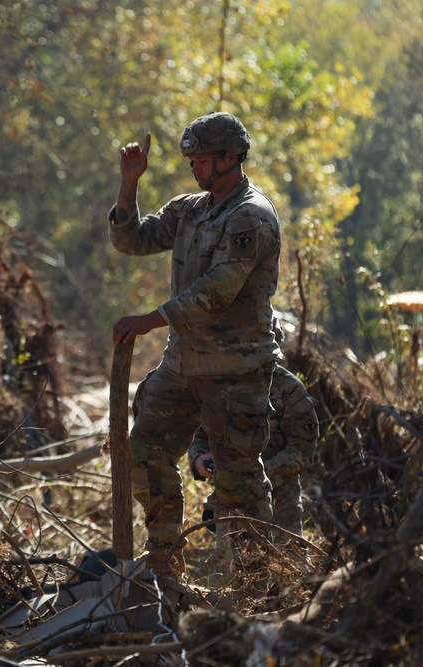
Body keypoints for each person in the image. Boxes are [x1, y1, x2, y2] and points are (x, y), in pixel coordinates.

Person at [108, 111, 283, 577]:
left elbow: (217, 290)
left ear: (231, 157)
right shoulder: (191, 208)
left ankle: (258, 583)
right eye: (191, 161)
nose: (195, 168)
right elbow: (133, 240)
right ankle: (165, 564)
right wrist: (130, 185)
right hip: (184, 364)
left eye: (203, 160)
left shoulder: (251, 216)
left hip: (235, 370)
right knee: (143, 452)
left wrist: (150, 320)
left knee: (237, 480)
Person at [190, 360, 319, 537]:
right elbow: (201, 434)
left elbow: (302, 452)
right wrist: (198, 458)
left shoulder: (289, 387)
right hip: (230, 502)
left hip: (280, 506)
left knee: (287, 561)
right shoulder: (220, 383)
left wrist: (257, 473)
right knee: (232, 563)